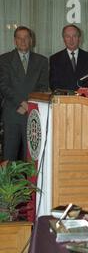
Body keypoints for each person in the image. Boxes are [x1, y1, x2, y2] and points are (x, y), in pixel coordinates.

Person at [0, 26, 48, 161]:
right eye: (19, 38)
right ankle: (8, 183)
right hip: (12, 114)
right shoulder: (4, 59)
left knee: (32, 158)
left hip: (33, 114)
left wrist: (28, 105)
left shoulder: (42, 61)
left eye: (26, 38)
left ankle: (31, 183)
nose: (23, 41)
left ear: (31, 40)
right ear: (15, 41)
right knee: (9, 157)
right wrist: (21, 103)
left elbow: (43, 87)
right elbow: (3, 86)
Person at [49, 24, 88, 92]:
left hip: (84, 100)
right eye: (67, 36)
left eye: (74, 36)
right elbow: (53, 84)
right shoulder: (55, 59)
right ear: (63, 39)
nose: (71, 40)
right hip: (64, 100)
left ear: (79, 38)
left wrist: (83, 95)